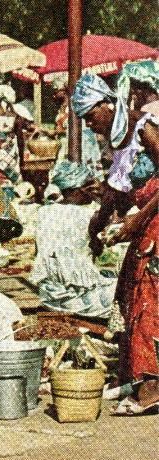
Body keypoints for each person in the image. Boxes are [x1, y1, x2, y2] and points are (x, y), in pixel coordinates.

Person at [72, 73, 159, 383]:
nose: (88, 124)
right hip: (147, 225)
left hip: (155, 223)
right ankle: (136, 379)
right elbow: (115, 190)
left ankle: (151, 384)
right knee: (128, 296)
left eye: (90, 115)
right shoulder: (118, 139)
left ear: (106, 105)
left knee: (148, 298)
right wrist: (97, 226)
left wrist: (137, 218)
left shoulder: (144, 127)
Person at [30, 161, 116, 318]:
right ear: (80, 189)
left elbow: (42, 251)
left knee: (108, 274)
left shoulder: (43, 212)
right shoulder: (88, 216)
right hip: (76, 300)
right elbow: (110, 205)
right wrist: (104, 192)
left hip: (49, 297)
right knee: (130, 288)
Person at [43, 75, 104, 182]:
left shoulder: (73, 106)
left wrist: (56, 131)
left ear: (63, 91)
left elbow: (77, 127)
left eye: (56, 91)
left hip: (79, 145)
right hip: (64, 145)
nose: (54, 95)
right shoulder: (62, 107)